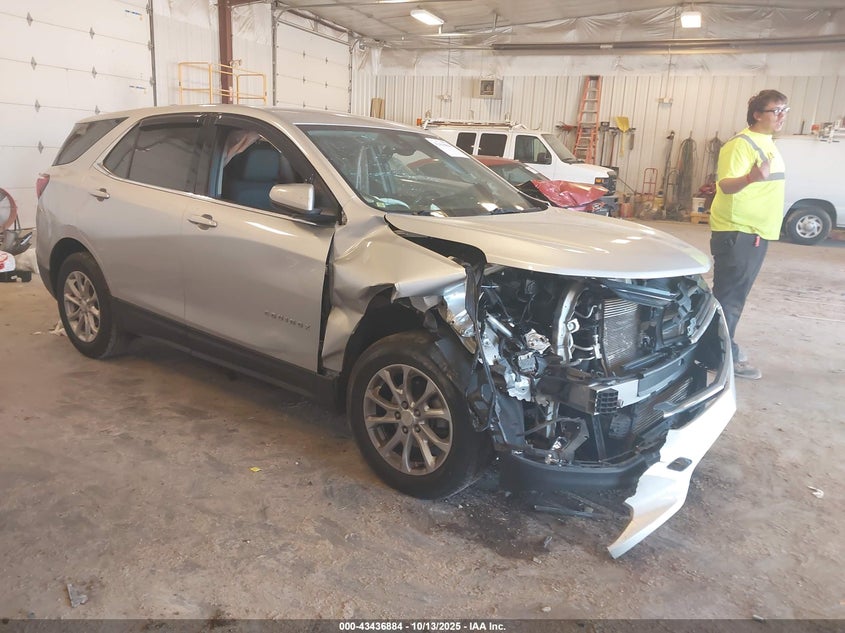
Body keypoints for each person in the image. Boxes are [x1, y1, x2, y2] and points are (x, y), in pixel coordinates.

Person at [709, 89, 788, 380]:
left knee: (733, 296)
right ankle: (719, 356)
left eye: (784, 111)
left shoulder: (766, 143)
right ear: (757, 114)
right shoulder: (740, 144)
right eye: (775, 110)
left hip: (756, 231)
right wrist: (750, 178)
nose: (781, 116)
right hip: (740, 231)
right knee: (729, 299)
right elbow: (726, 185)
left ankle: (717, 348)